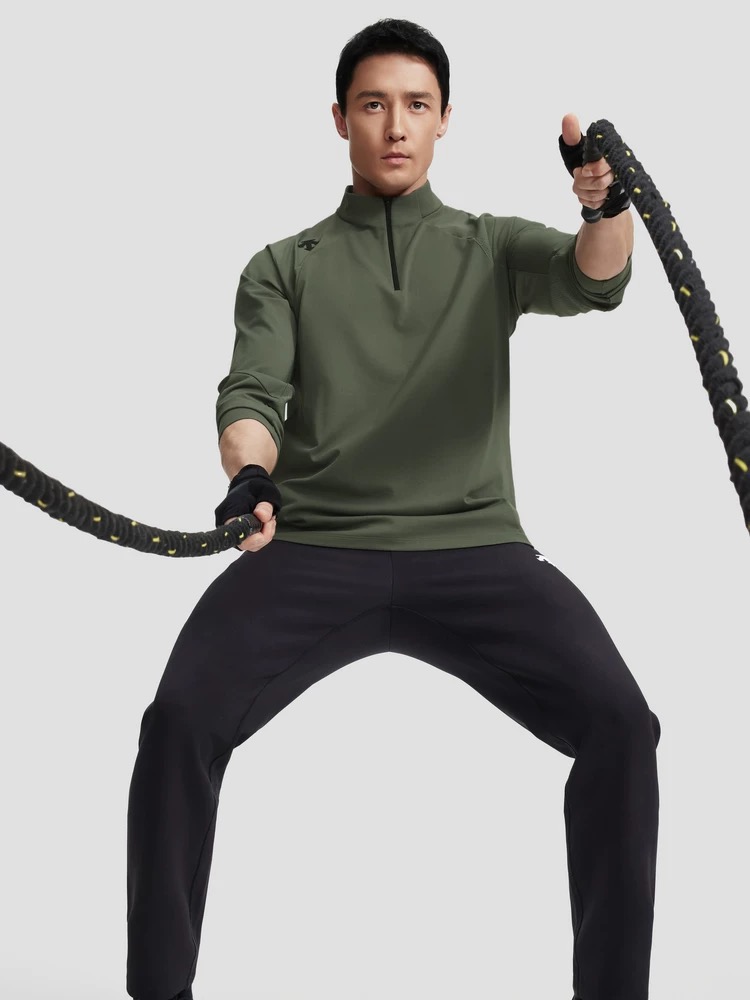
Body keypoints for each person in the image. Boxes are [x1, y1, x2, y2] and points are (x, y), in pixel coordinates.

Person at [125, 17, 660, 1000]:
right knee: (177, 723)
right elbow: (251, 396)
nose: (396, 125)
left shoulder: (489, 245)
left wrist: (606, 202)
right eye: (374, 104)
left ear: (446, 118)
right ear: (341, 119)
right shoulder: (284, 264)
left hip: (476, 548)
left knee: (623, 723)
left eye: (417, 105)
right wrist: (249, 477)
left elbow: (598, 277)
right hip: (312, 548)